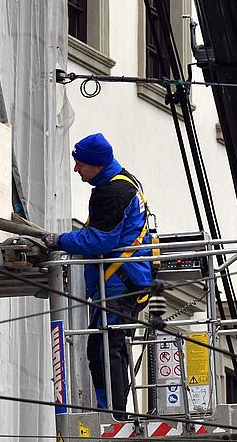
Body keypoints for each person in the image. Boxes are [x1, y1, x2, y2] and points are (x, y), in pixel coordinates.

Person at [42, 133, 155, 418]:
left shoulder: (114, 193)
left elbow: (99, 240)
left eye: (80, 164)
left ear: (96, 165)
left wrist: (60, 240)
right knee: (108, 347)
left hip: (121, 283)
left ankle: (113, 415)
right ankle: (114, 412)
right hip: (126, 281)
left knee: (106, 348)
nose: (76, 169)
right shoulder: (121, 182)